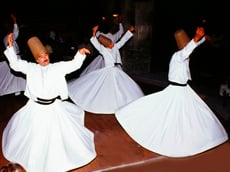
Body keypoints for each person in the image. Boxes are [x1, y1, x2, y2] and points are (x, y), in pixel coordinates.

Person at [115, 26, 229, 157]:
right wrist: (197, 38)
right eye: (188, 44)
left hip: (184, 89)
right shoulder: (179, 55)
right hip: (177, 89)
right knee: (170, 112)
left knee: (193, 112)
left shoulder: (184, 54)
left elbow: (192, 48)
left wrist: (202, 39)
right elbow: (189, 49)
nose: (190, 47)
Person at [2, 33, 96, 172]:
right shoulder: (30, 68)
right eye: (40, 57)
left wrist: (80, 54)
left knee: (56, 136)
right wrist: (10, 48)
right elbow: (15, 64)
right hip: (35, 108)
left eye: (45, 55)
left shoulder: (57, 68)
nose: (44, 58)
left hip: (53, 107)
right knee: (35, 136)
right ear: (36, 59)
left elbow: (73, 65)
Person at [68, 24, 144, 114]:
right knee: (108, 86)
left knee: (121, 86)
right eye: (110, 43)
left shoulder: (115, 47)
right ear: (107, 45)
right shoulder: (103, 50)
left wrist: (129, 31)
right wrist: (94, 32)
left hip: (116, 69)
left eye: (111, 43)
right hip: (108, 71)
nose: (112, 44)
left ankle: (122, 100)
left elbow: (123, 41)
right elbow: (95, 43)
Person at [0, 13, 26, 96]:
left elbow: (16, 33)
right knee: (18, 73)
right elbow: (16, 33)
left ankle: (18, 91)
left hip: (16, 57)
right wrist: (15, 21)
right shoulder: (8, 37)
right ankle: (17, 92)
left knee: (18, 75)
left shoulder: (7, 37)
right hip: (15, 57)